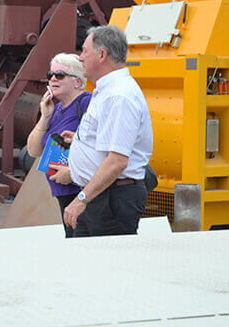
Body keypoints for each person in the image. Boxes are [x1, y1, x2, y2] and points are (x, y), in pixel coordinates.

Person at [51, 26, 153, 237]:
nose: (80, 58)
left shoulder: (118, 96)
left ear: (102, 55)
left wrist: (81, 200)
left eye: (84, 51)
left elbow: (117, 161)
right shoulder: (107, 90)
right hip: (101, 195)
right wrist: (80, 142)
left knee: (107, 266)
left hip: (110, 199)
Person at [26, 53, 91, 238]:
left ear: (77, 82)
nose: (53, 79)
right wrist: (45, 117)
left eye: (60, 75)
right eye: (51, 74)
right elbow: (33, 150)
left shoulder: (86, 103)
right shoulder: (57, 109)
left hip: (81, 191)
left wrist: (72, 171)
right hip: (62, 191)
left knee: (82, 243)